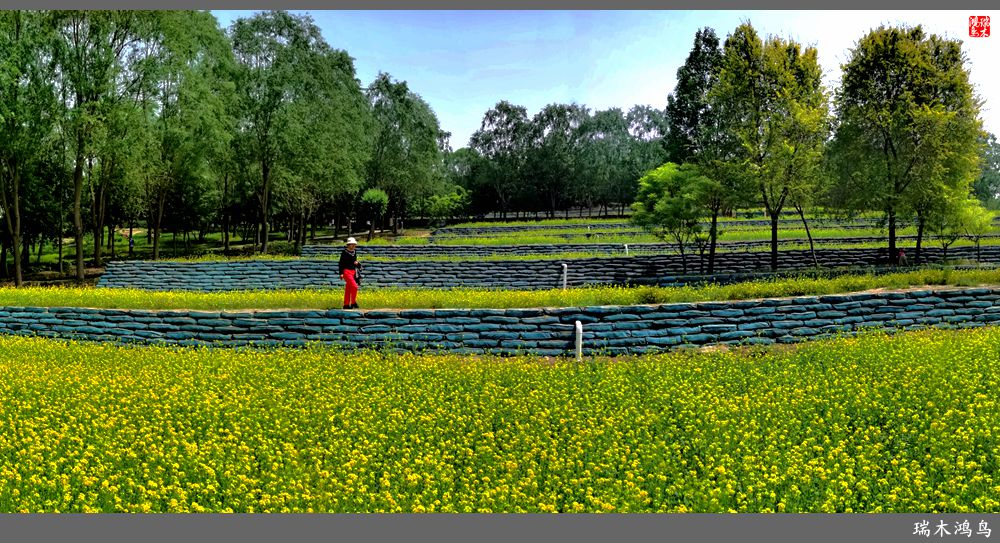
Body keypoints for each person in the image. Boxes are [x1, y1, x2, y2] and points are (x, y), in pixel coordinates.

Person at [339, 237, 361, 309]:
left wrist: (357, 263)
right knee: (354, 286)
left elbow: (354, 262)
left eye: (355, 244)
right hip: (346, 272)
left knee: (348, 289)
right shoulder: (344, 252)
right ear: (348, 245)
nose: (354, 246)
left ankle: (346, 305)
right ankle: (353, 302)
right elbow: (341, 263)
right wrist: (341, 273)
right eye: (352, 244)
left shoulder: (354, 252)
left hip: (353, 271)